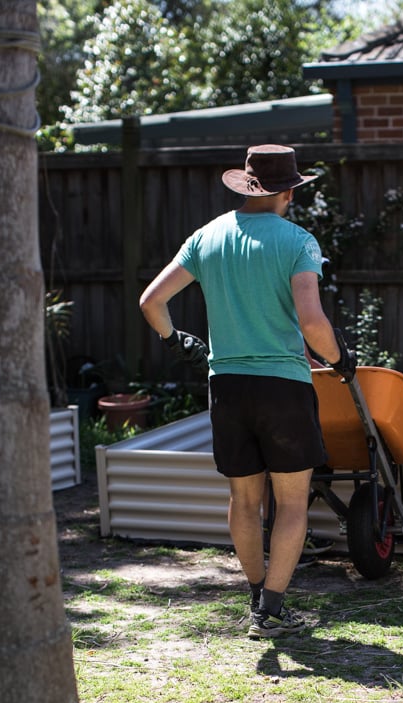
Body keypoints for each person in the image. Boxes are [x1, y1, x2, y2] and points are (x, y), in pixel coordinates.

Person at [140, 144, 355, 637]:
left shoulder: (207, 236)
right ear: (289, 193)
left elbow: (151, 301)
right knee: (294, 502)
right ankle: (272, 610)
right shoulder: (297, 241)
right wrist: (341, 360)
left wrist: (179, 341)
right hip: (283, 385)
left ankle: (257, 595)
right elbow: (311, 321)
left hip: (228, 386)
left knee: (243, 500)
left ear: (247, 185)